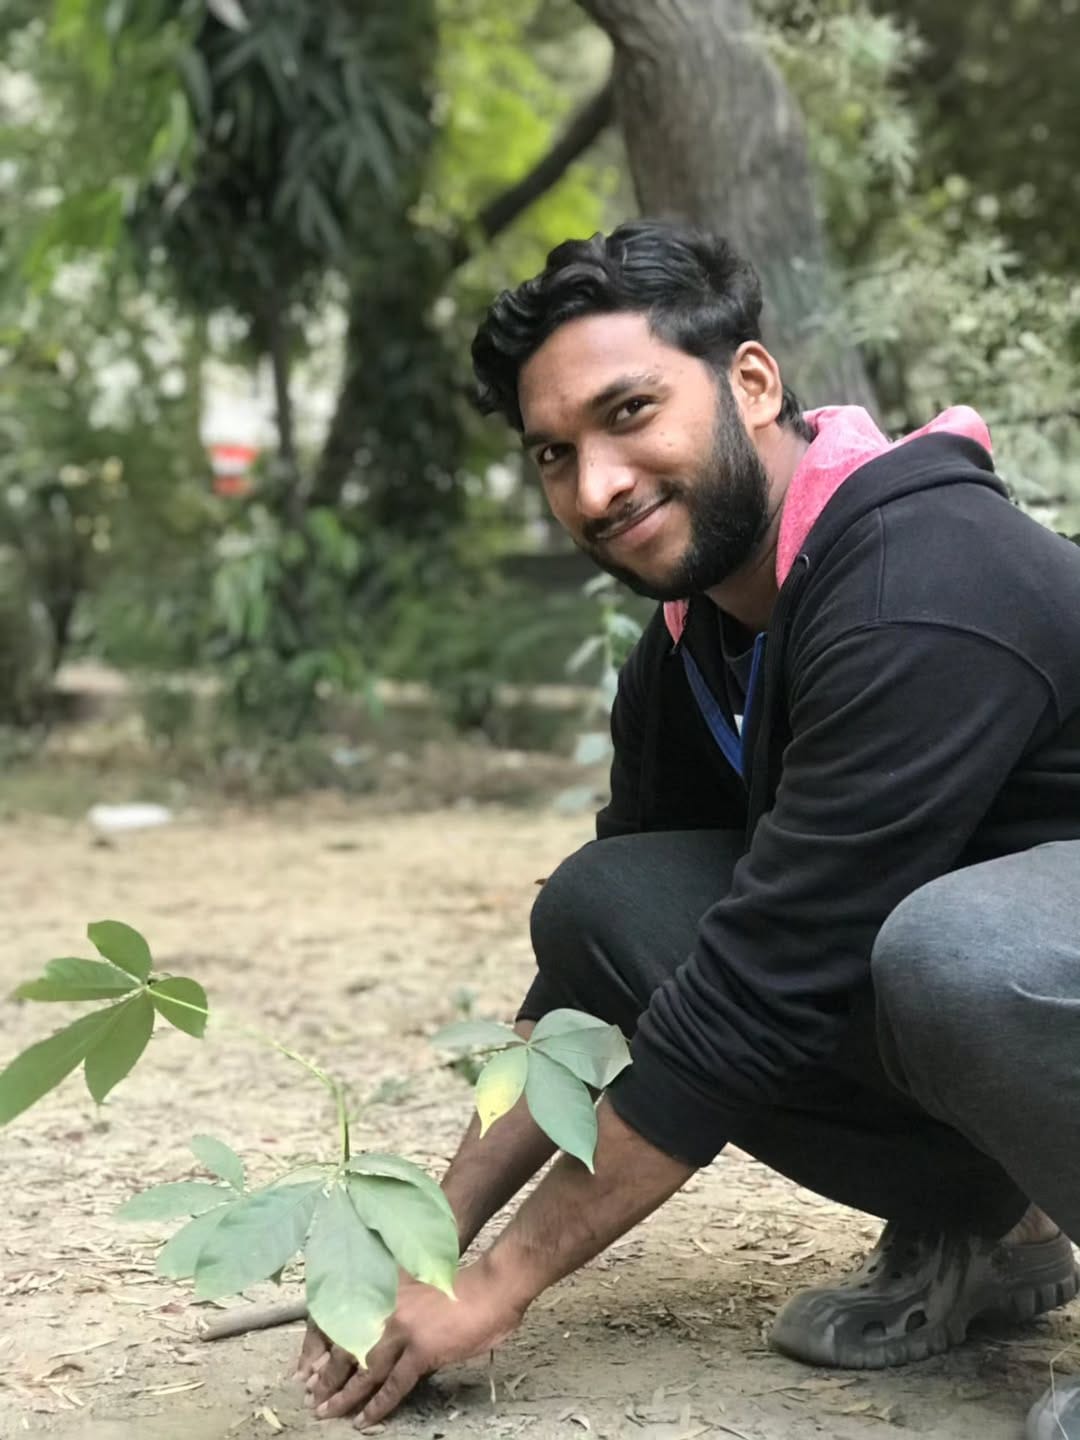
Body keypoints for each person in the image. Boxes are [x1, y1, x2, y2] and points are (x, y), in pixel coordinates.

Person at [297, 221, 1080, 1440]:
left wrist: (502, 1289)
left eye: (629, 413)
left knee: (957, 948)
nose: (596, 486)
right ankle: (991, 1232)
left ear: (752, 383)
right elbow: (592, 988)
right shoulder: (692, 642)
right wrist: (426, 1238)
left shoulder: (918, 584)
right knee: (606, 906)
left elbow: (759, 994)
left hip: (1030, 962)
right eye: (554, 454)